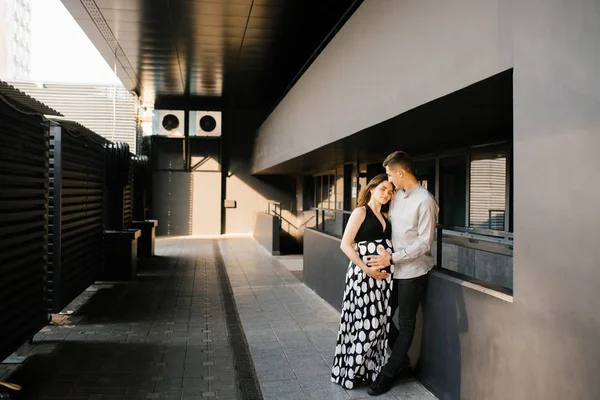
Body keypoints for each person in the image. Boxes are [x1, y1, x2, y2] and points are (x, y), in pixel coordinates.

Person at [366, 151, 439, 396]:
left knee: (406, 324)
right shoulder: (396, 197)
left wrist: (393, 257)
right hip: (392, 270)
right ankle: (402, 363)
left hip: (413, 271)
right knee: (383, 317)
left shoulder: (425, 200)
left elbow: (424, 243)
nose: (388, 179)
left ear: (400, 172)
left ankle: (389, 372)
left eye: (389, 174)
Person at [331, 174, 396, 389]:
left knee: (378, 325)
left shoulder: (385, 216)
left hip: (382, 280)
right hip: (363, 278)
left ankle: (365, 371)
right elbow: (346, 244)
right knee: (368, 324)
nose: (387, 194)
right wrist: (367, 269)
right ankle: (349, 373)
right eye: (383, 189)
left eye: (390, 191)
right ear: (371, 189)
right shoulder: (361, 212)